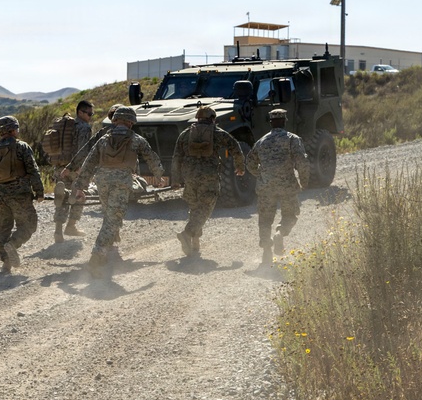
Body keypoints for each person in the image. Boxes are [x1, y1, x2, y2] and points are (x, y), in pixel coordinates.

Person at [70, 106, 165, 274]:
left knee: (110, 214)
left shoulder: (103, 140)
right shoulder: (137, 139)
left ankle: (108, 249)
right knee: (113, 219)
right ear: (131, 122)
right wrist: (158, 175)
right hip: (121, 183)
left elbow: (89, 164)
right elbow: (151, 156)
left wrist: (80, 187)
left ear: (115, 121)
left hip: (102, 182)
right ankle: (97, 255)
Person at [0, 115, 45, 273]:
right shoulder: (22, 147)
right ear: (13, 130)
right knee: (29, 225)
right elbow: (33, 170)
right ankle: (13, 244)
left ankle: (6, 262)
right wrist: (39, 191)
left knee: (2, 228)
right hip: (20, 195)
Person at [171, 105, 245, 258]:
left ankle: (194, 243)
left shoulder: (185, 134)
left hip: (189, 177)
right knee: (205, 208)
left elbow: (176, 157)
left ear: (197, 118)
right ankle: (187, 234)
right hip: (209, 176)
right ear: (213, 119)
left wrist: (176, 179)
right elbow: (235, 147)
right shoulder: (217, 133)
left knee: (195, 207)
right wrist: (240, 167)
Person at [246, 109, 309, 264]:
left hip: (266, 187)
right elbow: (302, 162)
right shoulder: (292, 139)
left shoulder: (261, 141)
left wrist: (261, 175)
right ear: (285, 121)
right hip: (287, 185)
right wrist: (304, 181)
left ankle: (267, 250)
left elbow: (250, 163)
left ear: (270, 123)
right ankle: (280, 234)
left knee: (265, 220)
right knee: (290, 215)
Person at [53, 99, 95, 242]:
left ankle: (58, 232)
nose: (91, 116)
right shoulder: (84, 127)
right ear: (80, 112)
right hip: (74, 168)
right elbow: (83, 150)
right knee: (79, 195)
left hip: (60, 167)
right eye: (89, 113)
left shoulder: (65, 126)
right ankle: (71, 226)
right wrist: (78, 168)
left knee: (61, 198)